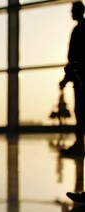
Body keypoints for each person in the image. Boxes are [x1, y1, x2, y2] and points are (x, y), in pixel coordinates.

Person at [59, 1, 85, 155]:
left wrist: (66, 78)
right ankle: (79, 144)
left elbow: (75, 59)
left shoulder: (79, 30)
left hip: (80, 76)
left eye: (72, 10)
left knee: (80, 110)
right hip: (80, 75)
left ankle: (79, 145)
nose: (71, 13)